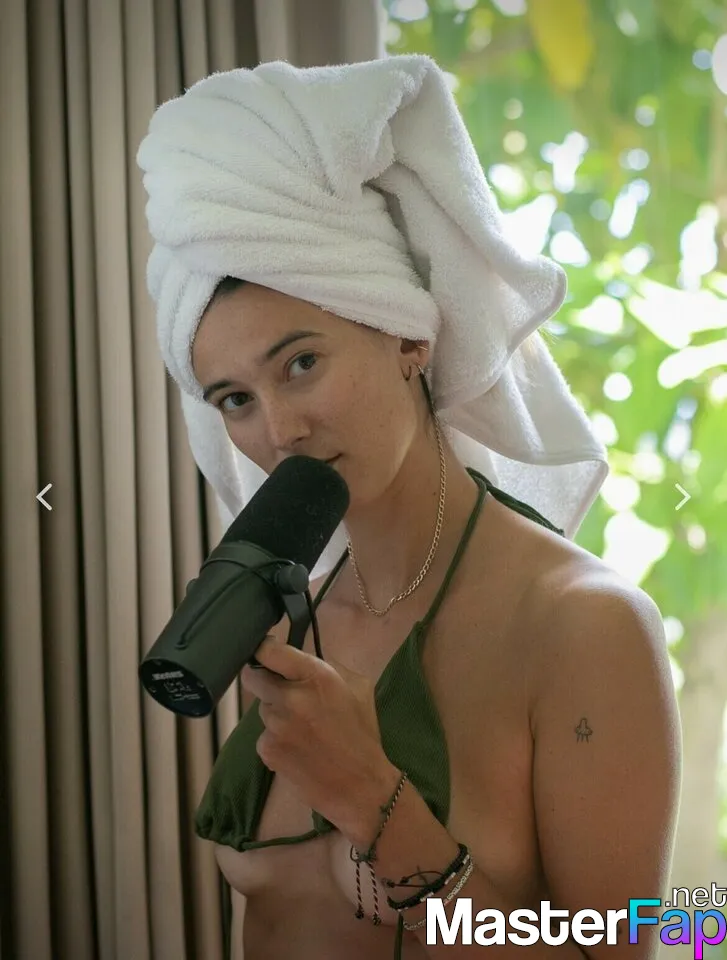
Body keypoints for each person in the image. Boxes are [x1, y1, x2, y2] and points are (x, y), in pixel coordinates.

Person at [138, 56, 681, 959]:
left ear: (407, 338)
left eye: (300, 363)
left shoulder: (583, 627)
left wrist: (372, 801)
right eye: (234, 398)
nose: (279, 430)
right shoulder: (288, 614)